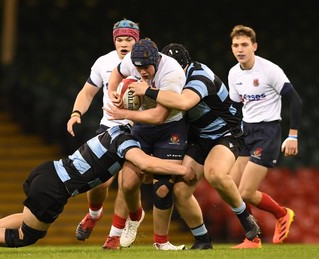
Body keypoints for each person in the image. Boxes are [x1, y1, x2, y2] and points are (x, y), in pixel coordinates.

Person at [0, 124, 197, 253]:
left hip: (46, 171)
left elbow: (140, 171)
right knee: (27, 237)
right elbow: (144, 162)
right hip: (54, 188)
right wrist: (182, 170)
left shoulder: (116, 131)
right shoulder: (126, 141)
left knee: (26, 218)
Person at [129, 43, 261, 249]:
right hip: (199, 137)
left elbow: (183, 103)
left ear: (184, 66)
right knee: (181, 190)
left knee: (215, 173)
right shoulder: (167, 77)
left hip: (226, 133)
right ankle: (202, 240)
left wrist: (147, 91)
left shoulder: (200, 76)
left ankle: (246, 219)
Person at [104, 38, 188, 250]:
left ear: (157, 61)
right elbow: (116, 73)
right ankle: (135, 216)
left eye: (146, 68)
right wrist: (113, 91)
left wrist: (123, 113)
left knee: (162, 188)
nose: (142, 72)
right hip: (141, 127)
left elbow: (160, 116)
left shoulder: (172, 74)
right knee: (128, 182)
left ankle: (162, 242)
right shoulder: (134, 61)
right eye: (138, 68)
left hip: (170, 128)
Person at [66, 18, 140, 249]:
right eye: (120, 39)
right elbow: (88, 92)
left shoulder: (146, 62)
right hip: (109, 128)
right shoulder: (104, 62)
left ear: (136, 41)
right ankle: (94, 215)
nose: (124, 43)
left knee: (127, 184)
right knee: (97, 183)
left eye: (129, 39)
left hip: (139, 129)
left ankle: (115, 236)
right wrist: (76, 112)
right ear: (114, 41)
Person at [227, 25, 302, 247]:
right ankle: (252, 238)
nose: (240, 49)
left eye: (244, 45)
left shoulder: (270, 70)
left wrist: (293, 136)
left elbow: (295, 100)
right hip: (246, 131)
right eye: (235, 45)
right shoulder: (234, 73)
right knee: (231, 187)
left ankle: (281, 214)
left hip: (267, 132)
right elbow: (234, 106)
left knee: (246, 192)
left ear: (254, 46)